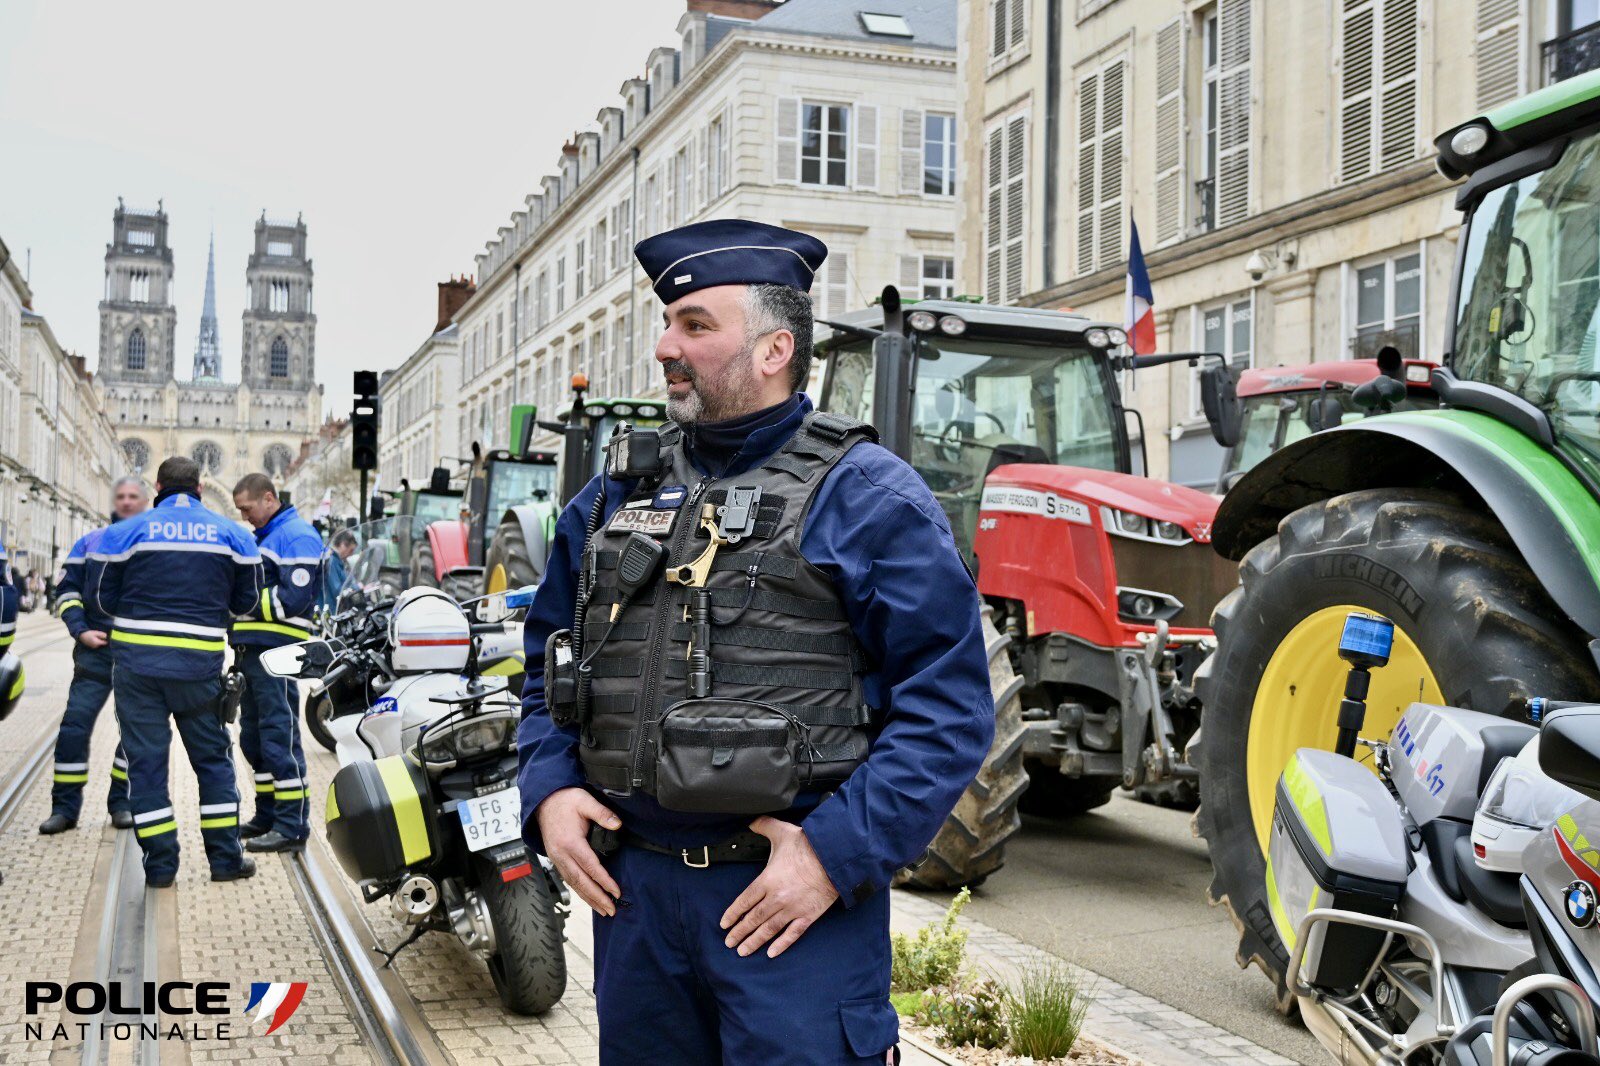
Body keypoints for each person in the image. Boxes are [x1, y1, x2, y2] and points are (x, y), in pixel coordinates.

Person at [516, 219, 995, 1065]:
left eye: (696, 326)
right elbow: (549, 663)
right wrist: (550, 790)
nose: (666, 345)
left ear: (775, 348)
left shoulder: (870, 498)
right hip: (636, 907)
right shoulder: (609, 498)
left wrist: (834, 854)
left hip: (787, 909)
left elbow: (948, 712)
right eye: (667, 324)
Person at [87, 457, 260, 887]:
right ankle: (225, 860)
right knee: (214, 763)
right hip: (198, 670)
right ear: (200, 487)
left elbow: (102, 601)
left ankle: (160, 867)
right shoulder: (234, 536)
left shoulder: (125, 532)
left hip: (136, 669)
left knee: (145, 766)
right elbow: (246, 604)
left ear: (158, 486)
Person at [40, 477, 150, 835]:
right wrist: (80, 629)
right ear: (114, 501)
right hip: (94, 652)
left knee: (133, 732)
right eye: (121, 496)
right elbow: (67, 590)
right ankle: (64, 808)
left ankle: (122, 802)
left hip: (136, 654)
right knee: (74, 727)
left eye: (134, 496)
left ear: (145, 501)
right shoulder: (89, 542)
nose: (127, 501)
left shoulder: (155, 542)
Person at [230, 472, 324, 852]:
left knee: (278, 735)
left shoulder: (296, 536)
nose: (245, 517)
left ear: (269, 499)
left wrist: (243, 603)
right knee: (254, 737)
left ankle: (291, 825)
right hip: (254, 649)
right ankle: (268, 813)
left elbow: (293, 601)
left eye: (248, 509)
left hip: (277, 651)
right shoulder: (268, 537)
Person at [319, 526, 358, 613]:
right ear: (343, 545)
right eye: (351, 550)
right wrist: (357, 587)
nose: (351, 554)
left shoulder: (339, 561)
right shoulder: (332, 561)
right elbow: (337, 591)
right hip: (331, 611)